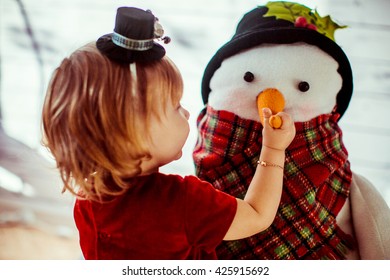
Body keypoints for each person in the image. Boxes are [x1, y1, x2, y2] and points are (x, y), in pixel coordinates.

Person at [41, 7, 296, 260]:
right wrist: (273, 149)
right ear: (134, 135)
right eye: (176, 106)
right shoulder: (185, 202)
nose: (186, 113)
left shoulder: (87, 197)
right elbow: (257, 214)